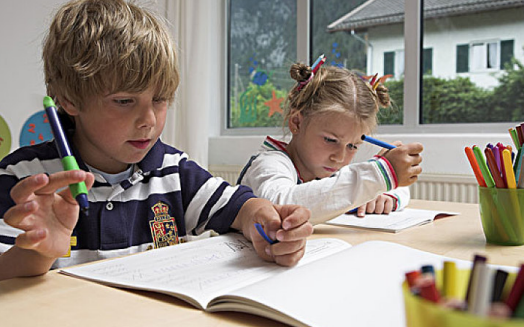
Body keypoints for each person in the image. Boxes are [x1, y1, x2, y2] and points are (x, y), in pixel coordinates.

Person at [0, 0, 312, 281]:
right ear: (69, 100)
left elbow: (239, 207)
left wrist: (266, 220)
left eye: (160, 99)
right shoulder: (23, 179)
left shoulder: (174, 170)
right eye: (124, 101)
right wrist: (38, 252)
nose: (149, 119)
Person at [237, 60, 423, 225]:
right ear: (297, 122)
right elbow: (280, 206)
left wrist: (384, 195)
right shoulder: (269, 163)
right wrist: (378, 177)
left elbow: (400, 191)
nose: (340, 157)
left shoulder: (324, 167)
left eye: (353, 146)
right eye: (330, 140)